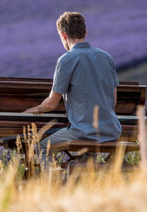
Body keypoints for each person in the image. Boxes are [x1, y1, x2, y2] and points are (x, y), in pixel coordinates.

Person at [24, 11, 122, 168]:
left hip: (84, 132)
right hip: (112, 130)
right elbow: (113, 100)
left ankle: (54, 185)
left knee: (42, 148)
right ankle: (81, 177)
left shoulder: (66, 59)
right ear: (85, 33)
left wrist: (29, 111)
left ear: (63, 35)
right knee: (87, 155)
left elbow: (50, 104)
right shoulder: (106, 57)